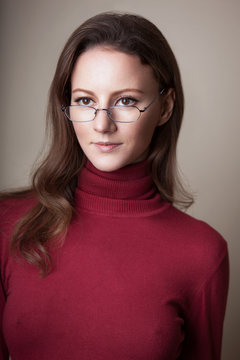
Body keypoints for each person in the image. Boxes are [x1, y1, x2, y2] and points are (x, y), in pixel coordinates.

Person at [0, 11, 229, 360]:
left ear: (164, 107)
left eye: (126, 101)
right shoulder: (8, 225)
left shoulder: (202, 253)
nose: (101, 125)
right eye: (85, 100)